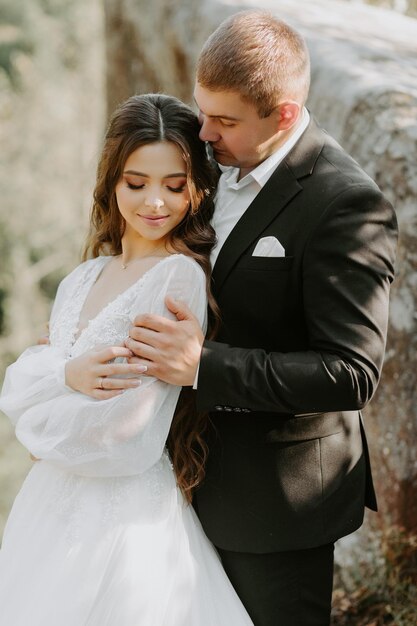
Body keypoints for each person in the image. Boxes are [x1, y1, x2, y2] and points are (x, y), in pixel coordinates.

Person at [64, 10, 398, 626]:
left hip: (273, 504)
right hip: (167, 484)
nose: (205, 134)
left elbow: (351, 373)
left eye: (225, 121)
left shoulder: (345, 205)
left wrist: (203, 365)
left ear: (286, 116)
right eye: (202, 111)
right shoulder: (207, 168)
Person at [0, 93, 254, 626]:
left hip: (123, 519)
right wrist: (67, 376)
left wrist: (40, 426)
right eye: (136, 183)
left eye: (174, 185)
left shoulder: (176, 278)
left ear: (197, 190)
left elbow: (125, 433)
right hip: (48, 507)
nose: (154, 202)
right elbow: (19, 383)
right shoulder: (81, 278)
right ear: (112, 182)